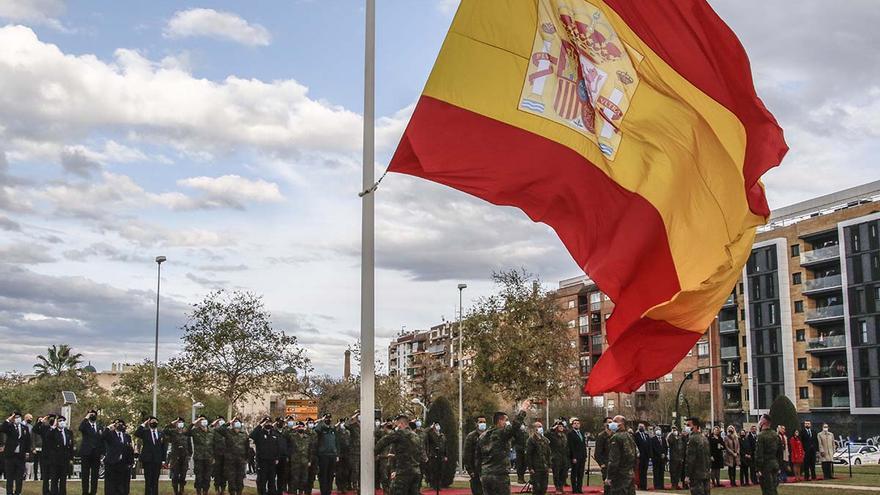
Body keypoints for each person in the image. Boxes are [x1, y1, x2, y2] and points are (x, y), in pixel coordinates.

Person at [477, 401, 530, 495]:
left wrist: (480, 473)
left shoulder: (482, 436)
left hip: (486, 475)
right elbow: (515, 426)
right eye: (506, 420)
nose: (507, 423)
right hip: (499, 475)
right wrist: (523, 409)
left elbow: (478, 457)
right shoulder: (501, 433)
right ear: (500, 421)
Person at [375, 414, 425, 495]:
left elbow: (384, 441)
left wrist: (375, 452)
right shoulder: (416, 436)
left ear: (401, 424)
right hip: (416, 472)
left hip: (403, 473)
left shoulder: (400, 433)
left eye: (396, 424)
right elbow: (420, 453)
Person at [604, 415, 636, 495]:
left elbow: (614, 460)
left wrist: (609, 476)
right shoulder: (629, 436)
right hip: (629, 474)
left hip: (619, 476)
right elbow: (634, 455)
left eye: (615, 422)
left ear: (621, 424)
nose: (612, 424)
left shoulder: (616, 437)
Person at [250, 416, 281, 495]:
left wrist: (277, 458)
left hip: (272, 461)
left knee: (272, 480)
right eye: (266, 422)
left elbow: (277, 447)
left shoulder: (274, 433)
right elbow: (251, 435)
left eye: (269, 422)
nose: (268, 424)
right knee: (262, 481)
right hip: (262, 461)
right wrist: (260, 424)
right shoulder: (259, 433)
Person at [135, 416, 165, 495]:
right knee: (148, 479)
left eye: (155, 421)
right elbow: (136, 433)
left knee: (155, 479)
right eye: (152, 421)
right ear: (149, 423)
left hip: (157, 460)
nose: (153, 423)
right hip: (147, 460)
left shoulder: (161, 433)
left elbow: (163, 447)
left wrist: (163, 459)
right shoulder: (145, 432)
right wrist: (144, 424)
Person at [103, 419, 135, 495]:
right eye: (117, 424)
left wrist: (131, 462)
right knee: (111, 485)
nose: (119, 425)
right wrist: (109, 427)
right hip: (111, 463)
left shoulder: (127, 436)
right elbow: (103, 436)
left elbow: (130, 449)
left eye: (121, 424)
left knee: (122, 485)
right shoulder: (110, 434)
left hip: (123, 464)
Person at [220, 418, 249, 495]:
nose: (236, 424)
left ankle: (239, 492)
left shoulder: (244, 434)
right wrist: (229, 422)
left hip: (241, 459)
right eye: (235, 423)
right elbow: (220, 429)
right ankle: (232, 492)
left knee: (240, 477)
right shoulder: (228, 432)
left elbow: (247, 446)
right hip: (230, 460)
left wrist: (246, 458)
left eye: (238, 422)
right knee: (231, 478)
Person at [79, 410, 103, 495]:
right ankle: (85, 492)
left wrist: (102, 452)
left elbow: (102, 439)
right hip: (86, 453)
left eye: (94, 414)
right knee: (85, 474)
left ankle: (93, 492)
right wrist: (86, 418)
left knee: (95, 475)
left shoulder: (99, 426)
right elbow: (80, 428)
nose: (93, 416)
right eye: (91, 414)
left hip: (96, 453)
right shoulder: (85, 425)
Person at [755, 414, 781, 495]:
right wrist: (779, 464)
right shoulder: (775, 435)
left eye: (760, 419)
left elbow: (759, 453)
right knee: (773, 488)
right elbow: (780, 452)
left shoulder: (761, 436)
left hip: (765, 466)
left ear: (764, 422)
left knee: (767, 490)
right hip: (775, 464)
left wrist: (758, 468)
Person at [684, 417, 710, 495]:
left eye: (688, 425)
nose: (687, 427)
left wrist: (687, 475)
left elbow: (690, 459)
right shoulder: (704, 438)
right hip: (705, 473)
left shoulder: (693, 439)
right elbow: (708, 456)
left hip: (696, 475)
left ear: (695, 426)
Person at [314, 414, 339, 495]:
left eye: (329, 418)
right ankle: (323, 492)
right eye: (327, 418)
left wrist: (337, 454)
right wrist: (321, 421)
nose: (328, 420)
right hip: (323, 455)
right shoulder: (321, 429)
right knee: (323, 474)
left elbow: (337, 442)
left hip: (332, 455)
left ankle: (329, 491)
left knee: (331, 475)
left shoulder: (332, 430)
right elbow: (316, 430)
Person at [188, 415, 214, 495]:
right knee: (199, 477)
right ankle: (198, 491)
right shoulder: (195, 431)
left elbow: (215, 444)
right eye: (201, 421)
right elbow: (186, 432)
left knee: (207, 477)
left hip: (209, 458)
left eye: (204, 420)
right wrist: (194, 423)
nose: (203, 422)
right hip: (199, 458)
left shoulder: (212, 431)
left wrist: (214, 457)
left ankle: (205, 491)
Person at [33, 414, 57, 495]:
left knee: (54, 475)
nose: (51, 420)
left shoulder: (58, 429)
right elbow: (35, 429)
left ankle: (54, 491)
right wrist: (41, 421)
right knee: (46, 475)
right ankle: (46, 491)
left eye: (53, 419)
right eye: (50, 419)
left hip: (55, 454)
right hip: (46, 454)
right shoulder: (44, 428)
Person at [526, 421, 551, 495]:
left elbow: (548, 453)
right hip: (536, 467)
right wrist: (530, 468)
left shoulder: (545, 440)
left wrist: (549, 465)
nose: (541, 428)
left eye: (541, 426)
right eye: (539, 426)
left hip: (544, 467)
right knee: (537, 488)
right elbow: (529, 455)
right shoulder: (531, 440)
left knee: (544, 487)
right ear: (535, 428)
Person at [463, 416, 487, 495]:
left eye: (484, 422)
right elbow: (467, 454)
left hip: (487, 469)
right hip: (475, 469)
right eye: (480, 422)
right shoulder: (471, 436)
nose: (483, 424)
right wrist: (470, 470)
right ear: (476, 424)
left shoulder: (488, 435)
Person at [288, 422, 311, 495]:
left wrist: (310, 460)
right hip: (295, 461)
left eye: (302, 427)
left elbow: (310, 450)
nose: (300, 428)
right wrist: (292, 428)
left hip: (305, 461)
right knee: (295, 479)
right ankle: (294, 493)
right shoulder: (292, 436)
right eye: (299, 427)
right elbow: (285, 434)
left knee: (304, 479)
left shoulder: (307, 437)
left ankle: (301, 492)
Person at [547, 421, 568, 495]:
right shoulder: (553, 436)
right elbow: (547, 434)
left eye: (562, 426)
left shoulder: (564, 435)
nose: (561, 427)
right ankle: (557, 488)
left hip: (564, 457)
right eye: (559, 426)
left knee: (564, 473)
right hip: (556, 457)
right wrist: (552, 428)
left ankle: (561, 487)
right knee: (556, 473)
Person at [425, 422, 448, 491]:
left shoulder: (442, 435)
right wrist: (430, 428)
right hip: (433, 455)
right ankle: (434, 485)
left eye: (438, 425)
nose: (437, 426)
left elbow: (445, 446)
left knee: (441, 471)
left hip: (441, 456)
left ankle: (439, 485)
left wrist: (445, 455)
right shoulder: (431, 434)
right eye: (436, 425)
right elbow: (425, 432)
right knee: (434, 471)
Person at [567, 417, 587, 494]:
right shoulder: (570, 434)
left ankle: (579, 488)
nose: (576, 424)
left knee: (581, 473)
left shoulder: (581, 433)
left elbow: (583, 445)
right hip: (575, 457)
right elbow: (571, 446)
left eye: (578, 423)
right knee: (574, 473)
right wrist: (573, 457)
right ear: (572, 425)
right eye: (575, 423)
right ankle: (574, 489)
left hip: (582, 456)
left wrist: (585, 455)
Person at [594, 418, 612, 493]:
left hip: (614, 463)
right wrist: (602, 464)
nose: (611, 424)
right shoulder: (601, 436)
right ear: (605, 424)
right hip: (606, 463)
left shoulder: (615, 435)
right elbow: (597, 453)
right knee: (607, 484)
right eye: (609, 422)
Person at [211, 417, 228, 495]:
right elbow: (210, 428)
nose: (220, 423)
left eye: (222, 421)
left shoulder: (227, 432)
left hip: (225, 456)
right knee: (217, 473)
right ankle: (217, 488)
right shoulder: (214, 431)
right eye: (219, 421)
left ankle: (223, 488)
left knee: (224, 473)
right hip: (216, 455)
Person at [632, 423, 650, 491]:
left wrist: (649, 455)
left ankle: (644, 486)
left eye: (642, 427)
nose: (641, 428)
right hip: (640, 456)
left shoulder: (646, 435)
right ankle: (640, 485)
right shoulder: (636, 435)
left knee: (644, 472)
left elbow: (649, 445)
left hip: (646, 457)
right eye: (640, 426)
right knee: (640, 472)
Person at [347, 412, 361, 493]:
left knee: (361, 470)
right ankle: (355, 486)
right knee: (355, 470)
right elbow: (346, 425)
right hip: (354, 452)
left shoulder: (364, 426)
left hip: (362, 452)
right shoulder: (353, 426)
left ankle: (360, 486)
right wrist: (352, 418)